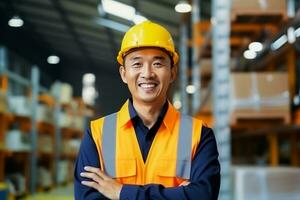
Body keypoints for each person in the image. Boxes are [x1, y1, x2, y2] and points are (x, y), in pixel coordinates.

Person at [74, 21, 220, 200]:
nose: (147, 73)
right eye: (137, 64)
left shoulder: (198, 134)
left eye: (157, 64)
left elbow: (202, 196)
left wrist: (121, 192)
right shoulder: (98, 133)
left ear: (172, 72)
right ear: (123, 74)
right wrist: (179, 194)